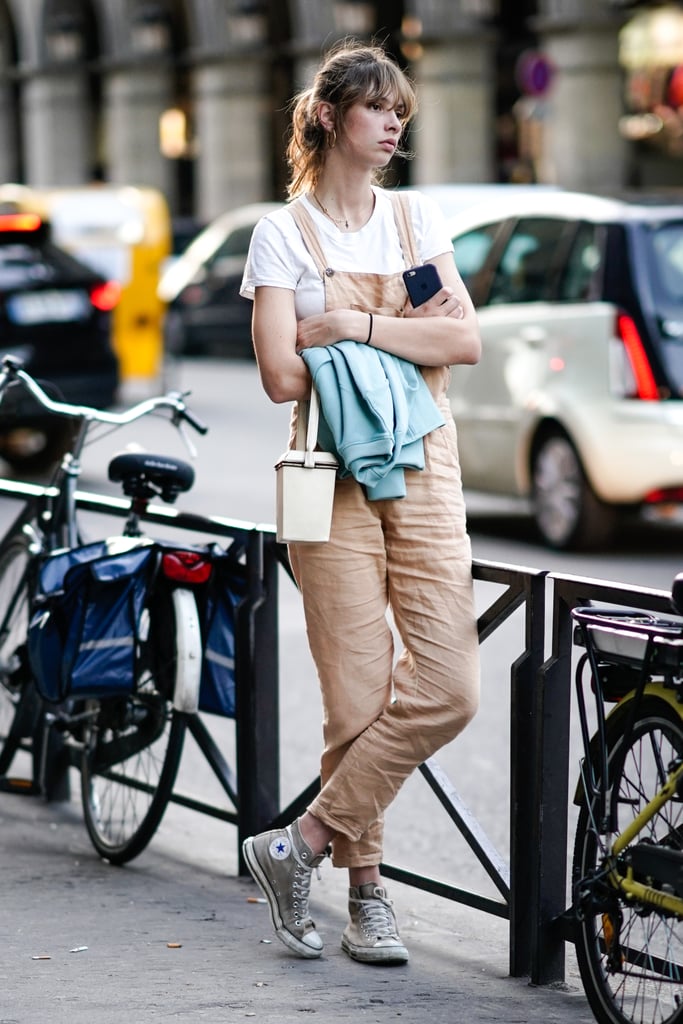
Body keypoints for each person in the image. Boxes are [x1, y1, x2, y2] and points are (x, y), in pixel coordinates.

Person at [239, 38, 481, 966]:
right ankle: (366, 898)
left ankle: (296, 843)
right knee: (354, 698)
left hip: (423, 467)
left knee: (449, 687)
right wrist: (399, 342)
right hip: (321, 482)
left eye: (401, 115)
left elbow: (460, 343)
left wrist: (345, 326)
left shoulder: (415, 224)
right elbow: (273, 374)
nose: (392, 127)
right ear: (334, 117)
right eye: (379, 110)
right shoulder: (282, 235)